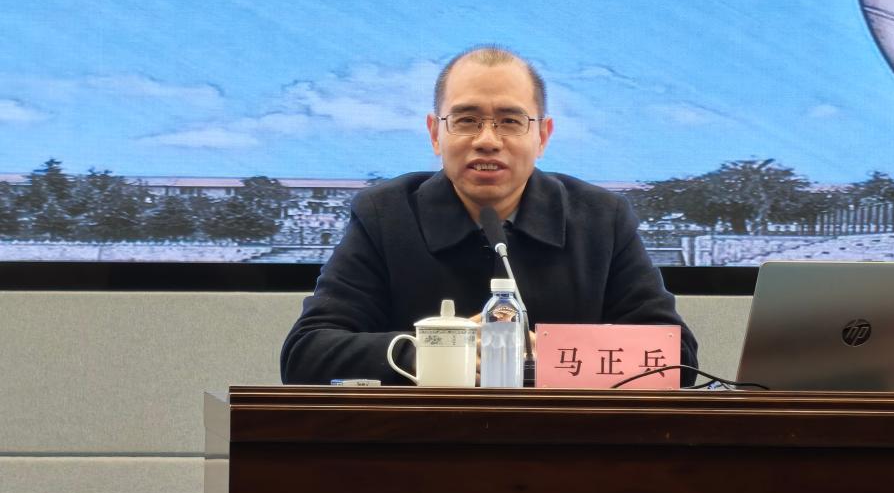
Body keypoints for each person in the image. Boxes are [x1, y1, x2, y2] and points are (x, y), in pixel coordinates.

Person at [280, 46, 699, 386]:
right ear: (435, 133)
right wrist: (433, 352)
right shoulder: (385, 215)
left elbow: (676, 358)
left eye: (510, 121)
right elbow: (305, 354)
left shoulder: (601, 219)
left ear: (543, 136)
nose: (487, 140)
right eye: (466, 120)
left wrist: (552, 356)